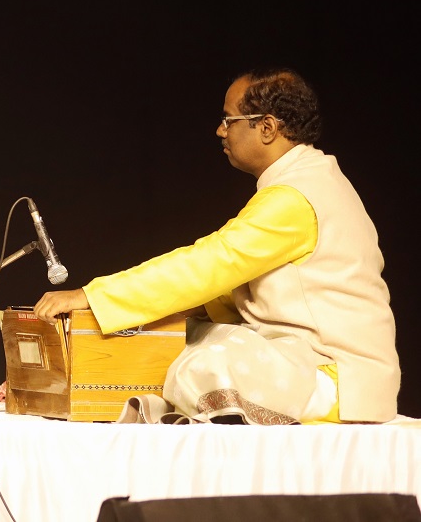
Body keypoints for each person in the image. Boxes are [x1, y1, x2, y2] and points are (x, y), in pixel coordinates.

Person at [28, 68, 399, 424]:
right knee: (171, 337)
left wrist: (93, 297)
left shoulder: (297, 197)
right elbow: (221, 290)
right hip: (301, 360)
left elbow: (207, 266)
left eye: (229, 119)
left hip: (334, 375)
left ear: (266, 127)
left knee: (206, 363)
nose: (220, 130)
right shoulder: (305, 183)